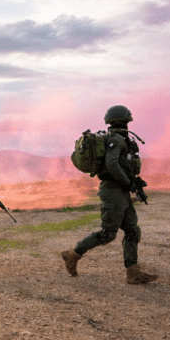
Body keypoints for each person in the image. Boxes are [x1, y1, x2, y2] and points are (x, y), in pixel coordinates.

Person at [61, 105, 158, 284]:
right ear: (125, 120)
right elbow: (112, 163)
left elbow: (121, 164)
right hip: (113, 191)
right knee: (108, 233)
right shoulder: (116, 139)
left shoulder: (119, 139)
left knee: (132, 230)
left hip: (119, 190)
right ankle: (72, 254)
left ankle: (133, 272)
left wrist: (131, 184)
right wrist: (128, 183)